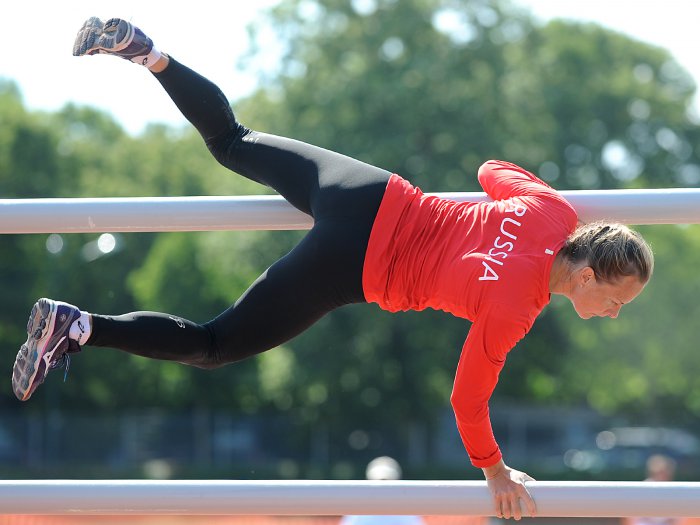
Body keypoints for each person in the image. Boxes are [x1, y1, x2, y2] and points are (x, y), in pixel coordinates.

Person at [11, 16, 655, 521]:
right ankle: (81, 326)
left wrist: (517, 224)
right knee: (214, 345)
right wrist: (495, 471)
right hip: (355, 263)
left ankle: (147, 53)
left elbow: (491, 171)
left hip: (370, 192)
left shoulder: (552, 211)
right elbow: (466, 400)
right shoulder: (516, 309)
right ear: (588, 276)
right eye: (618, 300)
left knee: (232, 140)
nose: (614, 313)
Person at [339, 456, 426, 525]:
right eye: (380, 482)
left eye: (387, 482)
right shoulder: (357, 512)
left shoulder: (407, 512)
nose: (383, 488)